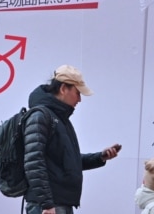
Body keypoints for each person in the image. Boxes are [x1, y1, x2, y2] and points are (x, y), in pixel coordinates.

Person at [23, 65, 121, 214]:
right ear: (63, 89)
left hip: (58, 204)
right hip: (48, 206)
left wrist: (100, 157)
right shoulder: (41, 117)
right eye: (77, 93)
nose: (80, 99)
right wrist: (47, 204)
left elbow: (68, 161)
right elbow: (33, 163)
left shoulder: (60, 119)